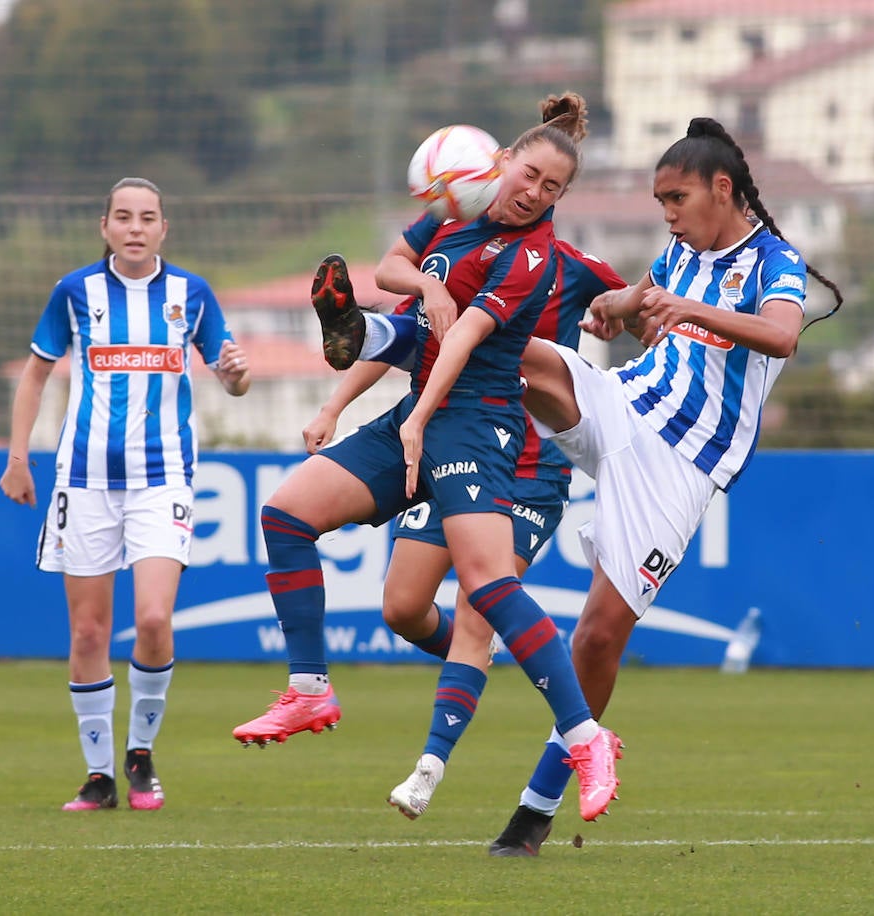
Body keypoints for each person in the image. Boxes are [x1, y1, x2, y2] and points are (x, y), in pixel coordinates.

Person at [230, 93, 623, 822]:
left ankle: (585, 738)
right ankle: (310, 690)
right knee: (286, 516)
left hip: (477, 422)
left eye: (553, 189)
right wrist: (426, 287)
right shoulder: (453, 208)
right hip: (420, 404)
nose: (535, 193)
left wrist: (415, 419)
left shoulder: (535, 256)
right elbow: (391, 268)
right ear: (501, 161)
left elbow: (464, 341)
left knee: (488, 591)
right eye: (530, 175)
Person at [475, 117, 843, 855]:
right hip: (623, 404)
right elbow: (636, 300)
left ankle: (534, 811)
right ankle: (390, 349)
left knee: (596, 635)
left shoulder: (774, 261)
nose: (668, 215)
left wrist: (689, 310)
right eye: (661, 203)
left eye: (677, 199)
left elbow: (782, 335)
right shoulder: (678, 253)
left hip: (680, 465)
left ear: (721, 189)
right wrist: (613, 310)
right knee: (512, 349)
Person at [296, 239, 629, 819]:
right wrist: (333, 407)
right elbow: (404, 340)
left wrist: (618, 313)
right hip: (455, 447)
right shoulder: (461, 257)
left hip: (528, 470)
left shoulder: (568, 264)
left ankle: (430, 765)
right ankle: (484, 658)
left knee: (481, 604)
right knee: (402, 607)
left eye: (546, 191)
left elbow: (633, 305)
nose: (527, 197)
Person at [0, 177, 251, 812]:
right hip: (83, 480)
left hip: (162, 478)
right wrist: (18, 458)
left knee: (154, 620)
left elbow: (231, 378)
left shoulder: (191, 294)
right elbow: (35, 376)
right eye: (123, 217)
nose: (135, 228)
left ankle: (140, 754)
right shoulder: (75, 291)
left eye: (147, 217)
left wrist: (235, 375)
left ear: (164, 228)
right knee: (88, 633)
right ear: (105, 227)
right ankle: (99, 776)